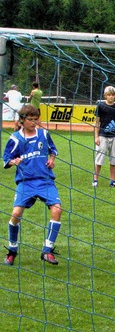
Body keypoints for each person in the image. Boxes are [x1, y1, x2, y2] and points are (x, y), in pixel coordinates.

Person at [3, 105, 62, 266]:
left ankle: (47, 250)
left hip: (45, 180)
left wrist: (51, 159)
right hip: (26, 182)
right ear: (22, 120)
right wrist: (13, 161)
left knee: (57, 209)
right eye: (30, 119)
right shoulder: (16, 138)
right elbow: (6, 158)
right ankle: (12, 250)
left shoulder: (43, 134)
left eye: (36, 119)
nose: (34, 122)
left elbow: (53, 149)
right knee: (16, 214)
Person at [92, 86, 115, 188]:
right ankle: (95, 179)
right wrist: (96, 136)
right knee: (99, 158)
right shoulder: (100, 106)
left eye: (112, 95)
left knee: (113, 159)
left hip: (114, 136)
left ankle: (112, 181)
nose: (111, 97)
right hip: (103, 135)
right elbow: (97, 122)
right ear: (105, 96)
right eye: (109, 95)